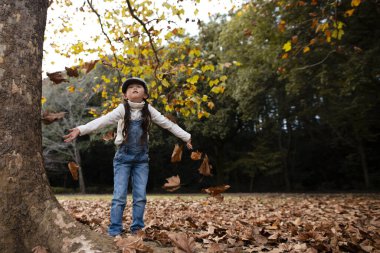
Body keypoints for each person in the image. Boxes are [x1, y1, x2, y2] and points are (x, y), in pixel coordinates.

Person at [63, 77, 192, 236]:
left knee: (140, 197)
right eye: (130, 88)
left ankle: (137, 228)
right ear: (125, 95)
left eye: (139, 87)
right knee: (119, 197)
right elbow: (102, 121)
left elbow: (168, 124)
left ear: (145, 94)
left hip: (141, 160)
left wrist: (186, 137)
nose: (135, 89)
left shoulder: (149, 110)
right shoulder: (122, 109)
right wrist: (81, 129)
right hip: (123, 159)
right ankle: (115, 229)